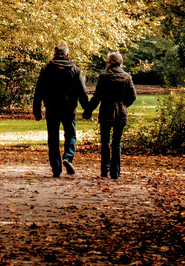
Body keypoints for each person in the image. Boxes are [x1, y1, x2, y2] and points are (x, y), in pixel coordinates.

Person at [32, 43, 89, 177]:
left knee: (53, 138)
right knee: (70, 134)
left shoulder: (47, 69)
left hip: (51, 107)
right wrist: (87, 109)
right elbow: (82, 91)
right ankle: (68, 157)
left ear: (54, 53)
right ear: (67, 54)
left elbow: (39, 90)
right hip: (69, 108)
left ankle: (56, 169)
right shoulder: (74, 69)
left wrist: (37, 110)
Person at [84, 51, 137, 180]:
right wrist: (124, 105)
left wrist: (88, 110)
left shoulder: (104, 77)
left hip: (106, 111)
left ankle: (104, 169)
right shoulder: (127, 77)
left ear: (109, 62)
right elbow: (133, 96)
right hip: (121, 112)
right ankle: (115, 171)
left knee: (105, 142)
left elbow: (97, 96)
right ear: (121, 62)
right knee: (117, 142)